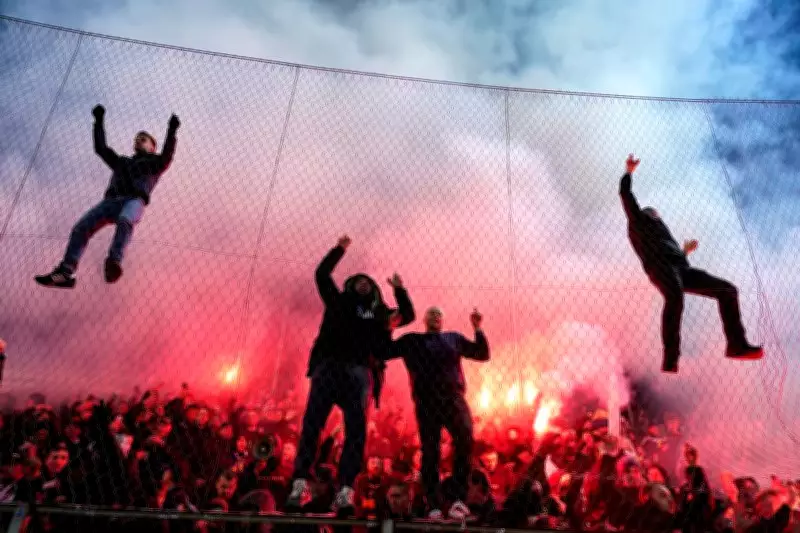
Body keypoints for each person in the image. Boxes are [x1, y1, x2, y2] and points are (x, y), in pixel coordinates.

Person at [287, 235, 415, 514]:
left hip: (359, 373)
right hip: (329, 367)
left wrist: (400, 290)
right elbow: (321, 274)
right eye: (358, 279)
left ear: (375, 292)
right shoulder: (338, 301)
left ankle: (345, 490)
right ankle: (299, 484)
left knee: (356, 433)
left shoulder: (379, 314)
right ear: (349, 285)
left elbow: (408, 315)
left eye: (369, 282)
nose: (364, 282)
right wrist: (339, 249)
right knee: (312, 425)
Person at [619, 154, 762, 373]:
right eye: (655, 213)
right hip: (661, 267)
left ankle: (736, 345)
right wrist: (629, 171)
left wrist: (684, 251)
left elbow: (675, 256)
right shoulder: (639, 222)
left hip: (680, 268)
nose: (659, 215)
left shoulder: (663, 233)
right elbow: (626, 195)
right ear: (648, 214)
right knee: (675, 296)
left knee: (727, 290)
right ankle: (670, 359)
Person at [35, 104, 180, 288]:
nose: (138, 141)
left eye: (143, 139)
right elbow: (101, 148)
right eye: (136, 139)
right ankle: (65, 272)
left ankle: (114, 261)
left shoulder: (155, 163)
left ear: (152, 147)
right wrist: (98, 120)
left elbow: (167, 155)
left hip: (134, 200)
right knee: (81, 227)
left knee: (126, 219)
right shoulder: (122, 162)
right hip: (111, 201)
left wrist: (172, 130)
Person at [387, 306, 489, 520]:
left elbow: (482, 354)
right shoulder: (411, 340)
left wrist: (478, 329)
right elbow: (384, 350)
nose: (434, 315)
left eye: (439, 313)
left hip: (453, 398)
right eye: (431, 313)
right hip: (426, 402)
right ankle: (433, 503)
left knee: (465, 440)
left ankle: (458, 500)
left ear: (443, 320)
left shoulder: (453, 338)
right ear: (424, 319)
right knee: (430, 451)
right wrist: (390, 327)